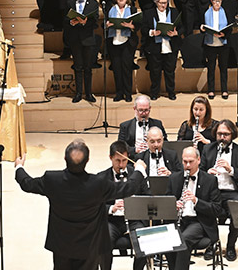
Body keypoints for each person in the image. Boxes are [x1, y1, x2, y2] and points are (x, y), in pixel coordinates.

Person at [15, 140, 148, 270]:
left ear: (64, 158)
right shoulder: (98, 184)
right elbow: (129, 187)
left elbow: (27, 183)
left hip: (62, 246)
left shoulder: (52, 179)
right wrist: (140, 170)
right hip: (89, 247)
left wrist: (19, 166)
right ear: (88, 160)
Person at [200, 119, 238, 259]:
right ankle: (212, 243)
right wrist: (207, 174)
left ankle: (231, 245)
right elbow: (199, 172)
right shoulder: (208, 149)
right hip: (213, 192)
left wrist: (231, 169)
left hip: (233, 192)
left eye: (226, 134)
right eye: (219, 134)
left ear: (232, 135)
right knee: (202, 207)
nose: (222, 137)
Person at [166, 145, 222, 270]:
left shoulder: (210, 180)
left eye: (191, 162)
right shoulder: (174, 178)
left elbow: (217, 209)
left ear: (199, 160)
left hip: (200, 222)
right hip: (179, 220)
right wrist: (173, 205)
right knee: (169, 240)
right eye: (185, 162)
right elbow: (166, 203)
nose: (187, 165)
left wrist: (196, 201)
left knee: (183, 240)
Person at [101, 139, 149, 267]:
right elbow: (95, 205)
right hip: (112, 221)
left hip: (134, 220)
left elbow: (147, 197)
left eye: (124, 160)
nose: (121, 165)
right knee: (104, 242)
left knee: (144, 243)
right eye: (117, 160)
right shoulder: (101, 178)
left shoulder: (137, 175)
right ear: (110, 158)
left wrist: (135, 204)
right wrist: (112, 208)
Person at [64, 0, 99, 103]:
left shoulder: (94, 4)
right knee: (78, 67)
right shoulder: (70, 2)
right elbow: (64, 18)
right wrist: (71, 22)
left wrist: (85, 22)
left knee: (88, 67)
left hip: (88, 38)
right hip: (75, 38)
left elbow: (95, 21)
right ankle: (78, 93)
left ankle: (89, 93)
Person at [143, 0, 181, 101]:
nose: (163, 5)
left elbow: (182, 27)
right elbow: (144, 28)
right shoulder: (149, 13)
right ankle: (154, 92)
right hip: (155, 46)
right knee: (155, 71)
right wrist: (152, 32)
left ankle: (171, 92)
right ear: (156, 2)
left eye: (165, 3)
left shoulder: (174, 12)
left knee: (170, 71)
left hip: (170, 46)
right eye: (160, 3)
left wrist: (176, 33)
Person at [106, 0, 137, 102]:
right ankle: (119, 93)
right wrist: (107, 25)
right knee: (117, 69)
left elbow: (137, 25)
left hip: (127, 43)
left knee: (127, 69)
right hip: (114, 42)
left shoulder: (132, 9)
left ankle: (128, 94)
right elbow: (105, 24)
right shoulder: (111, 9)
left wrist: (131, 27)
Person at [201, 0, 233, 99]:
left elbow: (230, 28)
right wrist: (202, 28)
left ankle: (224, 90)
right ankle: (211, 90)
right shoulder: (206, 13)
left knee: (223, 68)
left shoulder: (226, 12)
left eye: (219, 1)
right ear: (211, 1)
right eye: (215, 1)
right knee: (211, 68)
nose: (217, 4)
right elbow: (202, 26)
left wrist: (224, 34)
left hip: (223, 44)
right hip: (210, 44)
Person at [117, 95, 167, 161]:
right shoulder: (125, 126)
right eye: (140, 110)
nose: (143, 114)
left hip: (154, 157)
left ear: (150, 108)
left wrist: (154, 146)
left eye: (146, 110)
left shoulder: (158, 124)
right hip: (134, 159)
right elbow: (120, 146)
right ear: (134, 109)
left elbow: (166, 143)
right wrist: (135, 149)